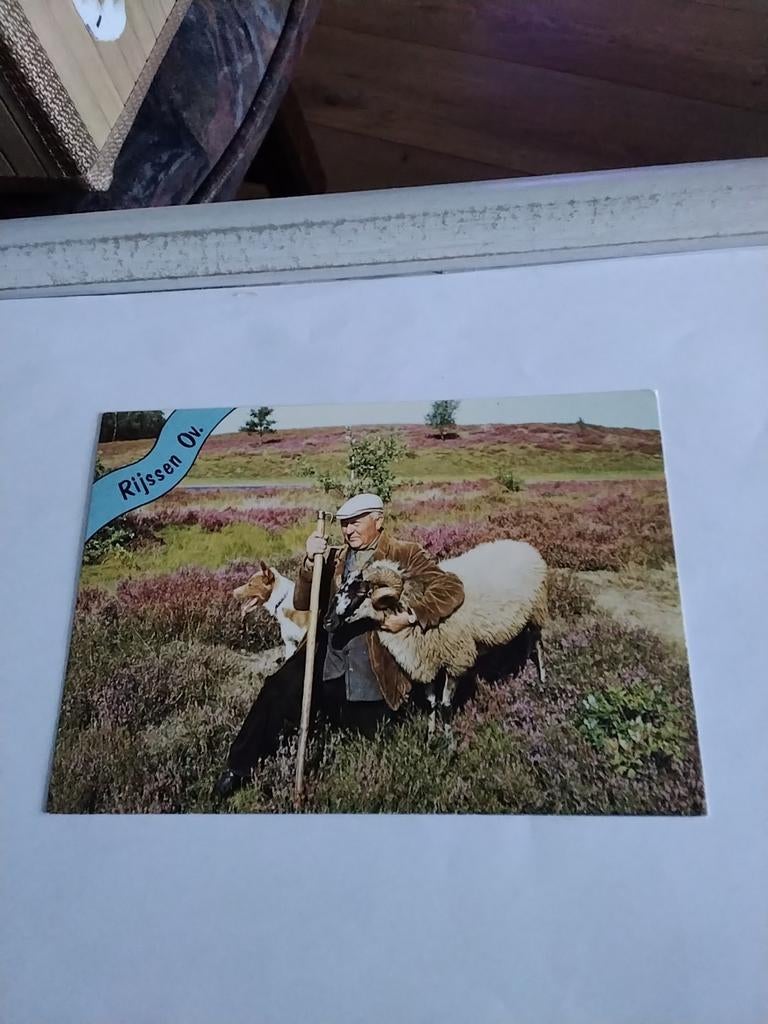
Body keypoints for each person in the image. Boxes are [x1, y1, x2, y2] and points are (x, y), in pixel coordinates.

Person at [214, 492, 465, 798]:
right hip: (324, 650)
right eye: (344, 524)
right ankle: (238, 768)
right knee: (277, 689)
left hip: (374, 659)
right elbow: (303, 601)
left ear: (379, 520)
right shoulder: (333, 557)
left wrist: (411, 617)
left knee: (366, 733)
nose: (348, 531)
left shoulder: (406, 553)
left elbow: (451, 588)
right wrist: (310, 562)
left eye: (356, 523)